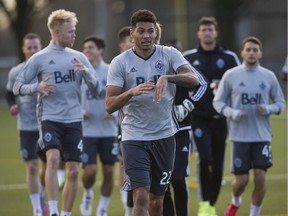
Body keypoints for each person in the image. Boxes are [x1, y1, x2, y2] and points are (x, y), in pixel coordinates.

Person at [106, 9, 207, 216]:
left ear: (156, 32)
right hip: (134, 136)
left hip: (165, 136)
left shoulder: (169, 54)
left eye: (150, 31)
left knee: (156, 200)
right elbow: (110, 104)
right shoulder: (120, 62)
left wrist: (168, 77)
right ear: (132, 34)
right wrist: (131, 92)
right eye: (141, 31)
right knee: (141, 195)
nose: (146, 36)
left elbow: (193, 79)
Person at [13, 9, 101, 216]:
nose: (74, 35)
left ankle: (65, 213)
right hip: (49, 118)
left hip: (74, 121)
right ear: (56, 31)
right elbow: (17, 86)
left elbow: (97, 88)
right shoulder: (40, 58)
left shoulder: (79, 57)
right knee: (52, 159)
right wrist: (37, 87)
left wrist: (86, 73)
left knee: (73, 171)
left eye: (74, 30)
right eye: (70, 31)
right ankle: (52, 210)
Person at [213, 36, 285, 216]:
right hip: (240, 136)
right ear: (242, 52)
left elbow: (280, 103)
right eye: (248, 49)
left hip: (262, 136)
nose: (252, 53)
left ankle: (254, 214)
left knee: (260, 178)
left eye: (255, 50)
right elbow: (218, 102)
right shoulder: (231, 75)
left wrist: (268, 108)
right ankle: (236, 200)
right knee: (241, 181)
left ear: (260, 53)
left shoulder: (268, 76)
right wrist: (233, 113)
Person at [182, 16, 240, 215]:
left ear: (216, 33)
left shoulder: (229, 57)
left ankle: (211, 203)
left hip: (220, 118)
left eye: (210, 30)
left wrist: (221, 87)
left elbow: (238, 85)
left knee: (217, 163)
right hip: (198, 117)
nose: (207, 33)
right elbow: (181, 84)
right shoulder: (188, 58)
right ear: (198, 33)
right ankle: (204, 203)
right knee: (204, 157)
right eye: (203, 30)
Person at [5, 32, 48, 216]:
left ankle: (43, 194)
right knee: (31, 166)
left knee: (48, 167)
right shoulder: (16, 72)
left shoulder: (47, 69)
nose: (32, 50)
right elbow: (9, 93)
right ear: (23, 49)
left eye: (35, 47)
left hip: (47, 124)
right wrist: (13, 105)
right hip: (26, 126)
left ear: (40, 48)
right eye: (29, 47)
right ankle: (37, 209)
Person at [79, 35, 119, 216]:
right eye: (85, 48)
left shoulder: (111, 70)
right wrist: (80, 112)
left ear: (100, 50)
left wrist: (114, 111)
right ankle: (87, 193)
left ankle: (102, 208)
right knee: (90, 172)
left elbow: (122, 97)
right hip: (86, 131)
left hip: (108, 132)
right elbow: (70, 97)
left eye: (90, 48)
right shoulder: (80, 72)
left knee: (109, 171)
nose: (86, 51)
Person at [162, 38, 194, 216]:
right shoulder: (155, 66)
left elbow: (203, 86)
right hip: (159, 130)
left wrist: (187, 105)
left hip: (181, 129)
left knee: (178, 178)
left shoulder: (186, 68)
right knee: (162, 181)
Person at [117, 25, 134, 216]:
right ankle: (127, 203)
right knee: (126, 165)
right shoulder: (118, 65)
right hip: (125, 126)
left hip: (153, 126)